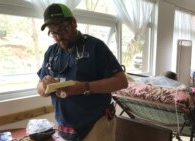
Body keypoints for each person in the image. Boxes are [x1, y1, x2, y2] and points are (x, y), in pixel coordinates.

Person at [37, 3, 128, 141]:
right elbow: (39, 89)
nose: (58, 37)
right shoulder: (51, 52)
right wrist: (45, 86)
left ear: (74, 23)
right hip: (65, 127)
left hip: (96, 123)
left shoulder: (95, 47)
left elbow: (122, 81)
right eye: (53, 32)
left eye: (62, 29)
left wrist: (84, 88)